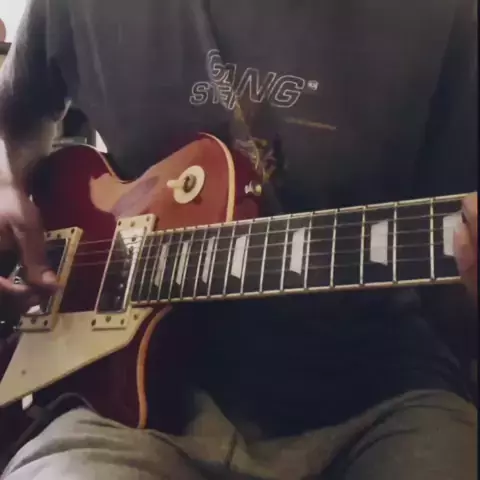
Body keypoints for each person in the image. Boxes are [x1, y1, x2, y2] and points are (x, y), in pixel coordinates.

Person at [0, 0, 477, 478]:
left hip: (381, 396)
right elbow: (13, 116)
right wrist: (6, 183)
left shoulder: (445, 16)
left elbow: (454, 283)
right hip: (127, 400)